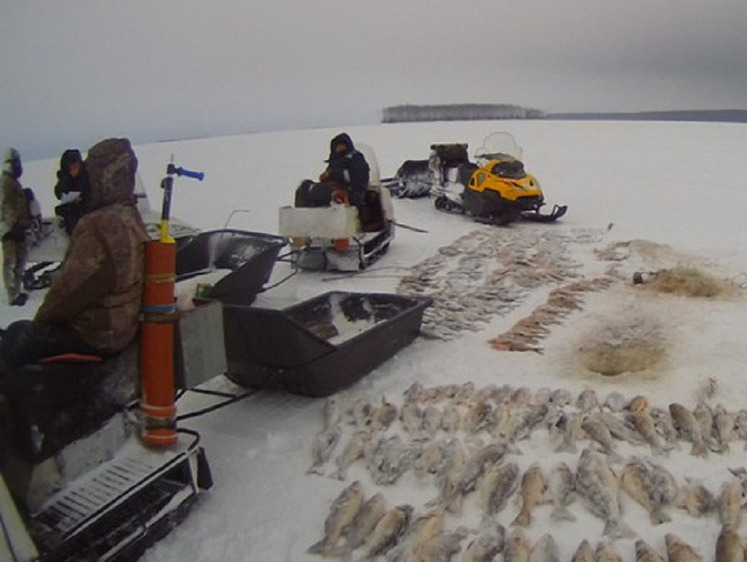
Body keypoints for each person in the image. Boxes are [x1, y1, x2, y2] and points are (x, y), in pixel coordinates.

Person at [0, 138, 150, 369]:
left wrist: (43, 321)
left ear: (100, 177)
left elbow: (70, 290)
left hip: (96, 334)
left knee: (16, 336)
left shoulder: (99, 224)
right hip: (124, 328)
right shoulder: (132, 217)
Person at [295, 132, 370, 208]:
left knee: (320, 191)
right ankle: (303, 212)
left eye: (342, 144)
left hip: (353, 192)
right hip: (336, 188)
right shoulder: (336, 160)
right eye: (338, 145)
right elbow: (331, 173)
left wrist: (332, 174)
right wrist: (325, 177)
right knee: (306, 186)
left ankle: (338, 201)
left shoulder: (356, 158)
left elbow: (358, 176)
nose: (340, 147)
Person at [0, 148, 30, 306]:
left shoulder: (12, 182)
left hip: (17, 227)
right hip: (10, 229)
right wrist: (12, 226)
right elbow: (5, 207)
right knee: (11, 261)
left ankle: (16, 291)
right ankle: (12, 294)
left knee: (20, 259)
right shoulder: (5, 183)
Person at [53, 148, 88, 234]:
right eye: (72, 164)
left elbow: (87, 189)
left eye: (76, 164)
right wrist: (69, 178)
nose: (75, 167)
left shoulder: (85, 174)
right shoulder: (64, 176)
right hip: (71, 209)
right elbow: (59, 193)